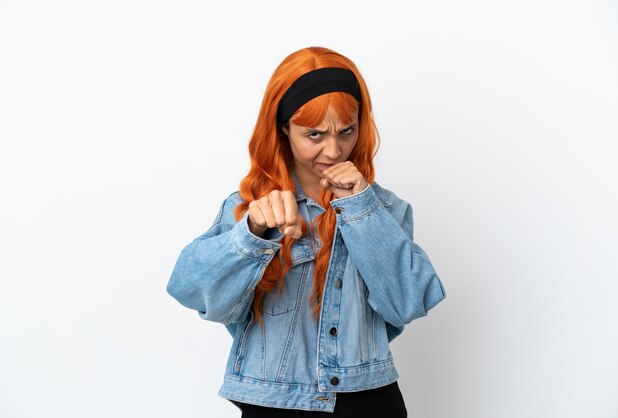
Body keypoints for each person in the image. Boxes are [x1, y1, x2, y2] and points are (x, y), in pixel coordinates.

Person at [166, 46, 446, 417]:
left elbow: (408, 302)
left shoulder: (385, 209)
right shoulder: (251, 206)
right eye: (314, 135)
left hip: (371, 401)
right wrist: (251, 232)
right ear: (284, 129)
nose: (334, 150)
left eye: (347, 130)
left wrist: (361, 207)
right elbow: (189, 288)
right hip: (275, 403)